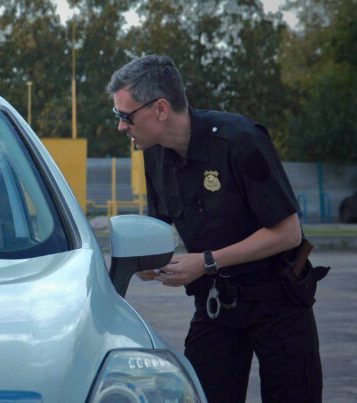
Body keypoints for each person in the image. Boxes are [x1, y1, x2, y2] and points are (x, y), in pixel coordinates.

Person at [107, 54, 325, 402]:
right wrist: (148, 262)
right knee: (201, 395)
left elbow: (288, 234)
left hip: (278, 301)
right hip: (217, 305)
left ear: (161, 109)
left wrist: (206, 261)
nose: (121, 127)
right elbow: (158, 228)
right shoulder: (154, 153)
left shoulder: (239, 141)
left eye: (125, 116)